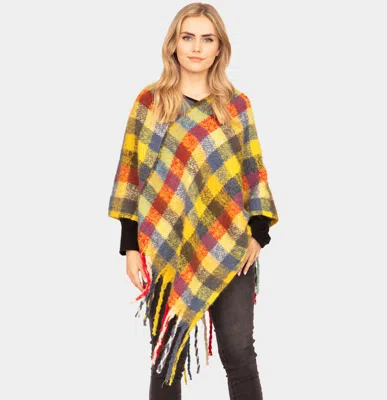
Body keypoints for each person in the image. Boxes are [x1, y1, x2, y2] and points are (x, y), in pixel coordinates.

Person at [108, 3, 279, 399]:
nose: (197, 48)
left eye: (207, 39)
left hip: (231, 247)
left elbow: (253, 171)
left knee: (239, 354)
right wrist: (130, 246)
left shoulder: (236, 105)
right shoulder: (150, 103)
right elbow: (131, 175)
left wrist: (258, 233)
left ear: (220, 48)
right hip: (166, 247)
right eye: (188, 37)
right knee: (167, 357)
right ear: (174, 43)